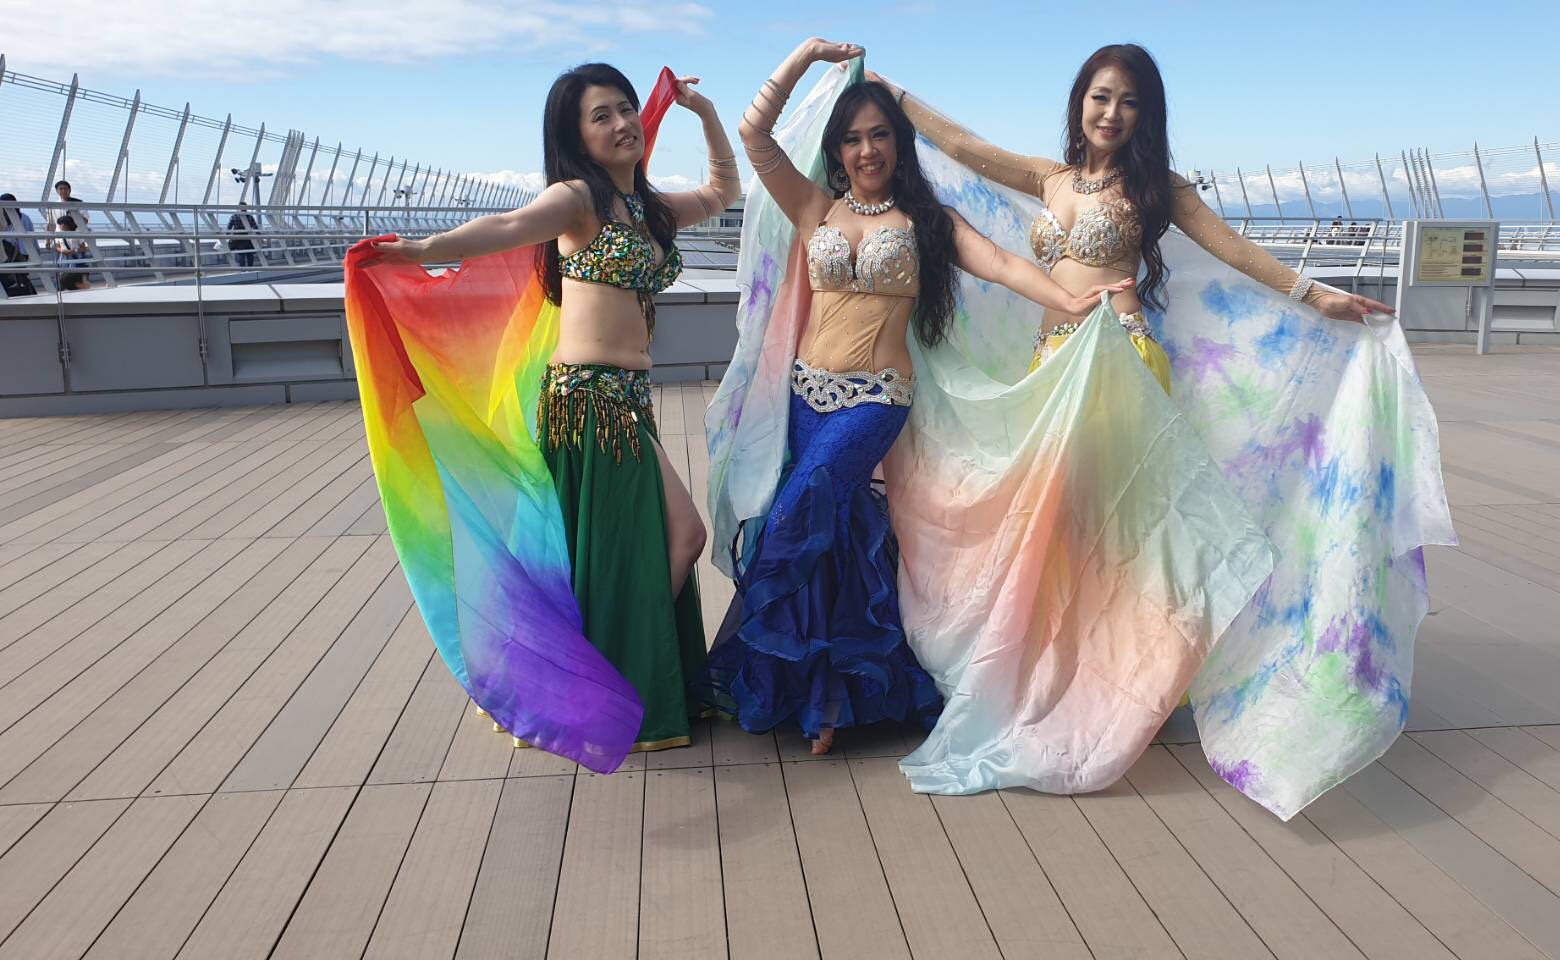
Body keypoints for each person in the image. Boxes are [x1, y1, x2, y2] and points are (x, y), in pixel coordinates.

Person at [876, 44, 1454, 819]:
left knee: (1116, 535)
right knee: (1059, 533)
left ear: (1145, 115)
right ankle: (1062, 673)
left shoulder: (1157, 188)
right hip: (1053, 366)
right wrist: (887, 91)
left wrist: (1315, 295)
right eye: (1100, 96)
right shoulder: (1049, 177)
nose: (1111, 113)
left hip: (1121, 363)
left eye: (1129, 101)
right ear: (1079, 101)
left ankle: (1125, 683)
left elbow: (1232, 248)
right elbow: (962, 145)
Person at [698, 39, 1140, 755]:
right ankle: (829, 698)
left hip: (876, 399)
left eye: (879, 135)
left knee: (794, 515)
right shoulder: (813, 208)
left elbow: (1000, 263)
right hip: (806, 397)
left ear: (898, 145)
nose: (866, 149)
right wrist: (807, 55)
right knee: (835, 536)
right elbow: (755, 135)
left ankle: (809, 687)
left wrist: (1070, 300)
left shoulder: (928, 224)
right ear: (837, 150)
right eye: (852, 138)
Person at [347, 63, 741, 764]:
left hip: (625, 400)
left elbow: (723, 191)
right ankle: (604, 685)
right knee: (682, 537)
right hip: (586, 400)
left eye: (626, 108)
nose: (622, 123)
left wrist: (704, 113)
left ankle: (601, 682)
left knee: (628, 550)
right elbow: (504, 226)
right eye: (601, 116)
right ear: (576, 136)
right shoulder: (577, 200)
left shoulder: (649, 208)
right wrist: (421, 251)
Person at [1, 193, 37, 297]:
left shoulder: (23, 219)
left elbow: (27, 243)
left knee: (17, 278)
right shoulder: (22, 218)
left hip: (16, 256)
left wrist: (24, 259)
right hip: (8, 256)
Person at [52, 215, 91, 291]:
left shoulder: (77, 233)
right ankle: (61, 288)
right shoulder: (59, 234)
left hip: (75, 259)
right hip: (64, 259)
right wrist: (61, 250)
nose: (59, 226)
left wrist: (73, 251)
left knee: (74, 276)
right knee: (63, 276)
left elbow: (83, 248)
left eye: (61, 224)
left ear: (67, 224)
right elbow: (56, 247)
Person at [227, 203, 260, 267]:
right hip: (248, 238)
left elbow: (229, 228)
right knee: (249, 253)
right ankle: (250, 268)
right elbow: (255, 228)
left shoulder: (234, 216)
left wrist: (226, 235)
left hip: (238, 238)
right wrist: (259, 236)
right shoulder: (250, 217)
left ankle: (243, 269)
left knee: (241, 254)